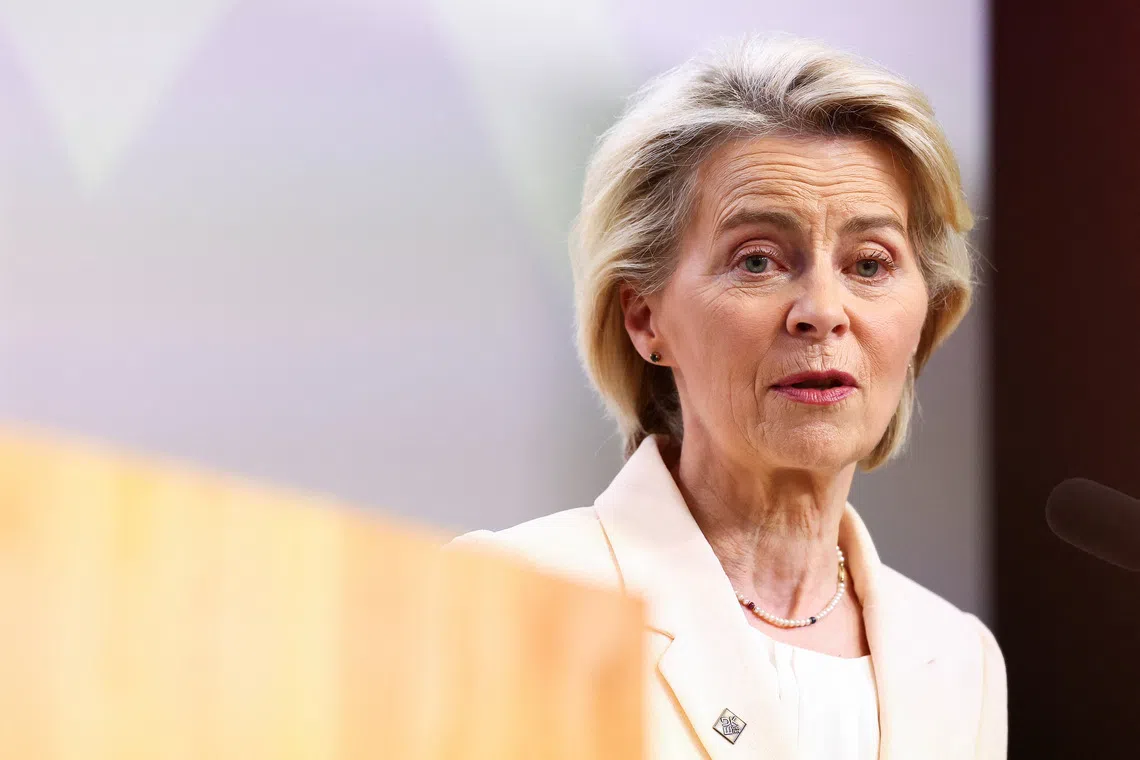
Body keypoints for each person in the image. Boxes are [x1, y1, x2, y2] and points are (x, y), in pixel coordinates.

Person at [451, 34, 1006, 759]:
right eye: (757, 260)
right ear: (645, 317)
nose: (822, 310)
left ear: (925, 314)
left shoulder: (960, 660)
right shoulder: (518, 595)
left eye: (870, 264)